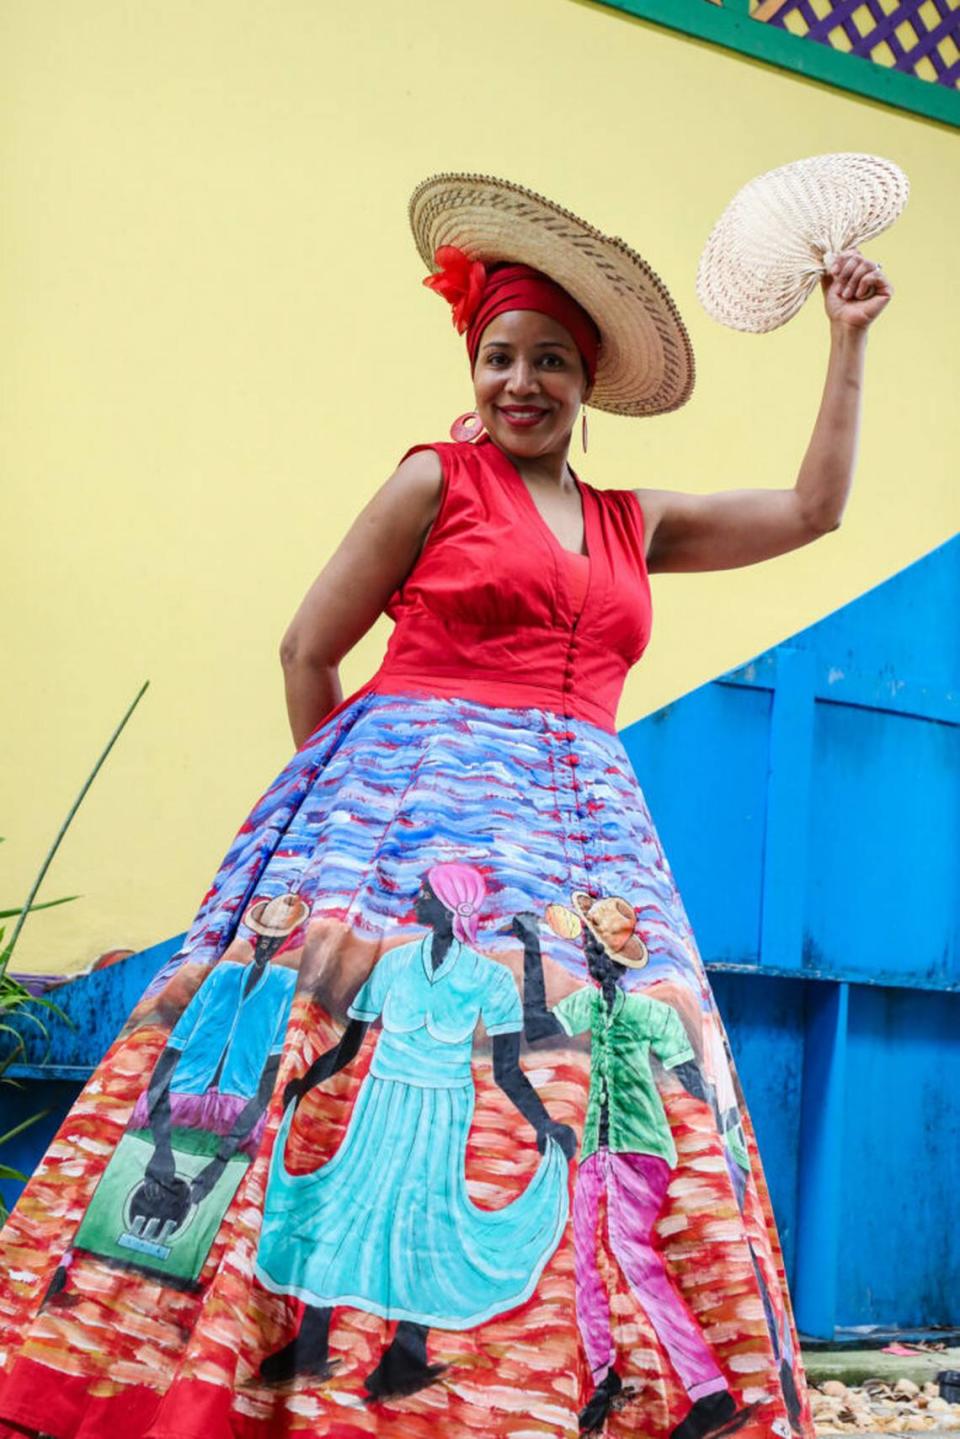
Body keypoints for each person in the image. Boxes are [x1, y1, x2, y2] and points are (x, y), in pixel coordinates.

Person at [0, 173, 891, 1439]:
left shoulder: (635, 522)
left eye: (548, 364)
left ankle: (566, 1386)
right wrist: (350, 829)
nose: (518, 383)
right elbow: (311, 646)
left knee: (613, 1089)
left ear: (588, 385)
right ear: (473, 366)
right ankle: (274, 1384)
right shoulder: (436, 480)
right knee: (326, 1080)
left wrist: (847, 341)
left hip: (592, 865)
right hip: (397, 837)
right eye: (497, 357)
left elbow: (814, 509)